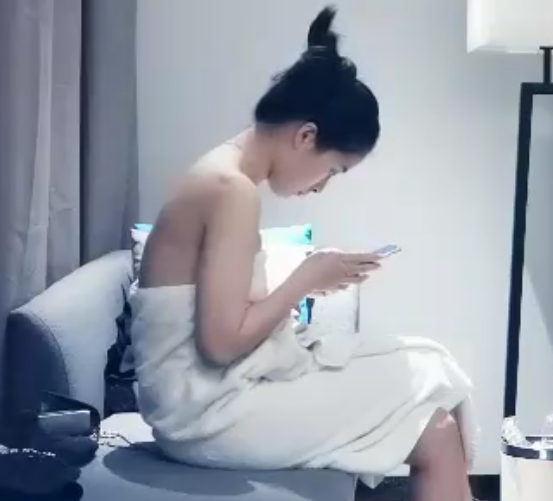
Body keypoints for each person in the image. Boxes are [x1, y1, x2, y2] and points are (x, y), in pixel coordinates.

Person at [133, 7, 476, 501]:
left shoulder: (222, 175)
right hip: (208, 416)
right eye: (332, 170)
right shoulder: (231, 191)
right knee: (432, 388)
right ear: (306, 136)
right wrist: (306, 278)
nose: (321, 187)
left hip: (201, 401)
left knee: (430, 386)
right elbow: (221, 344)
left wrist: (313, 278)